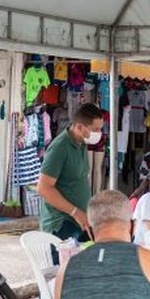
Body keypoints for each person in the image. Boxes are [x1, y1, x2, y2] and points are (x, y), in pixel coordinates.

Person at [37, 103, 104, 242]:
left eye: (100, 129)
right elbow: (44, 188)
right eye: (95, 129)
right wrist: (75, 212)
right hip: (61, 224)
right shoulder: (59, 147)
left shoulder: (81, 144)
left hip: (79, 220)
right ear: (79, 127)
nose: (99, 133)